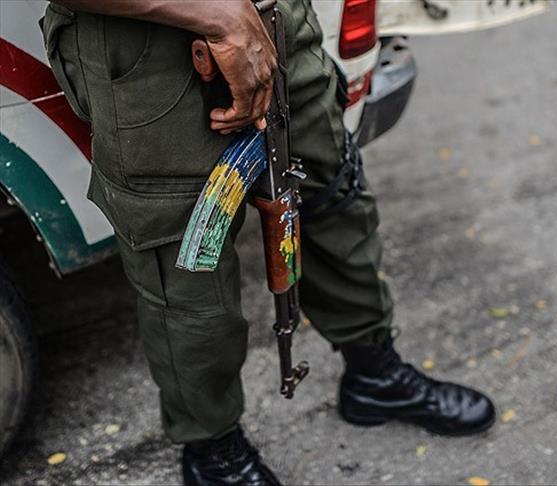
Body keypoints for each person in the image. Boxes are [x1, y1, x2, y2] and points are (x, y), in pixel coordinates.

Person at [41, 1, 496, 484]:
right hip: (147, 48)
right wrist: (220, 18)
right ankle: (214, 451)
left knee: (333, 197)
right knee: (187, 273)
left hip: (274, 20)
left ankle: (374, 371)